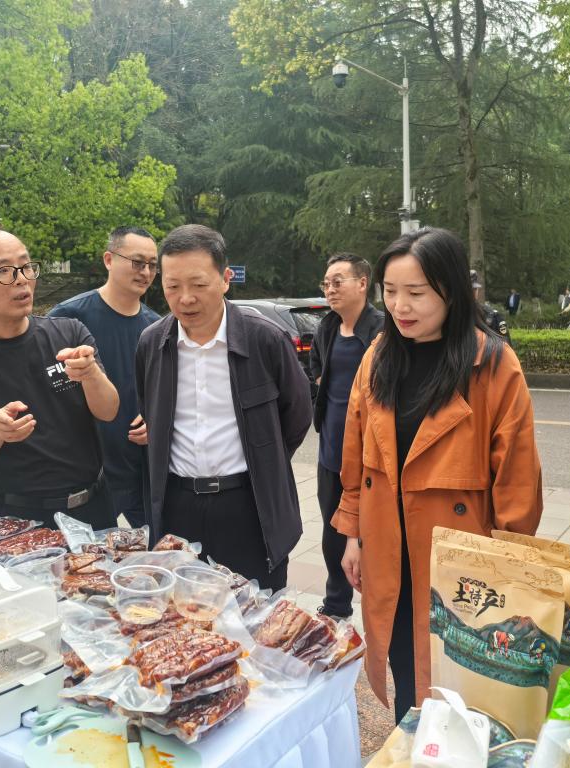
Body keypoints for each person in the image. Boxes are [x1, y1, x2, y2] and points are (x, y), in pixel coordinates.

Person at [335, 227, 543, 722]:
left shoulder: (492, 364)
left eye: (416, 292)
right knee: (406, 672)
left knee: (462, 688)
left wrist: (511, 572)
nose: (400, 306)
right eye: (390, 291)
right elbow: (355, 456)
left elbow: (517, 481)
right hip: (389, 550)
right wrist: (352, 535)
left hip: (461, 564)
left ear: (450, 291)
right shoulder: (378, 356)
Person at [135, 224, 312, 590]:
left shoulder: (264, 339)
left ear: (225, 279)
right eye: (172, 286)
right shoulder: (152, 344)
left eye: (199, 285)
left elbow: (297, 415)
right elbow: (148, 408)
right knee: (182, 610)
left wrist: (265, 460)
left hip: (249, 505)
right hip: (177, 505)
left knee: (255, 611)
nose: (185, 298)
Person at [0, 225, 120, 529]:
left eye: (26, 266)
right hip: (18, 519)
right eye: (4, 271)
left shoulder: (69, 333)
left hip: (94, 508)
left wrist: (90, 374)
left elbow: (109, 410)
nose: (21, 279)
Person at [48, 226, 161, 528]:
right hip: (87, 475)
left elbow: (165, 390)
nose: (146, 272)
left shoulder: (156, 327)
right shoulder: (68, 318)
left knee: (157, 550)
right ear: (109, 260)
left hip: (140, 469)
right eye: (137, 262)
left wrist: (157, 419)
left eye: (152, 265)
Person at [309, 252, 383, 620]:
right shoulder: (327, 327)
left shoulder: (383, 330)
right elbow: (315, 368)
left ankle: (378, 604)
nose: (330, 289)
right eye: (326, 283)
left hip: (371, 455)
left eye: (337, 282)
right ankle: (336, 603)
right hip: (331, 451)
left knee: (372, 534)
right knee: (332, 530)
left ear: (362, 283)